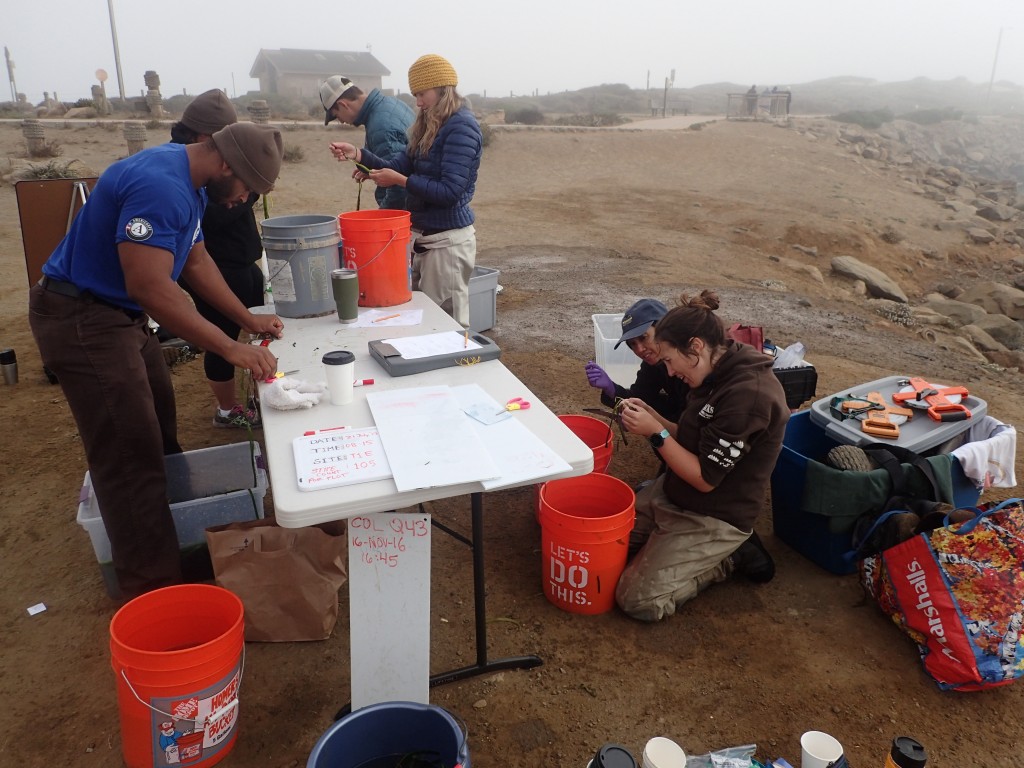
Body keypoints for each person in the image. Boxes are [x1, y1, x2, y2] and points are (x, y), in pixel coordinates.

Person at [29, 121, 285, 599]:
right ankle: (156, 595)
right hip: (84, 319)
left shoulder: (185, 177)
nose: (242, 200)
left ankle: (173, 547)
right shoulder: (161, 187)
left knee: (159, 437)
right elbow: (149, 286)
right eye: (248, 188)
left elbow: (194, 261)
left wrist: (246, 319)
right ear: (227, 163)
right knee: (129, 460)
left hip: (118, 318)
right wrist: (229, 348)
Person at [613, 290, 790, 622]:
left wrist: (656, 431)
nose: (666, 372)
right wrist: (655, 416)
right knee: (606, 542)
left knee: (637, 599)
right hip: (675, 491)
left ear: (694, 347)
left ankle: (728, 558)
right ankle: (670, 545)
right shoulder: (710, 371)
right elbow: (692, 437)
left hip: (713, 513)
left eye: (667, 360)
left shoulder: (749, 396)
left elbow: (706, 479)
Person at [329, 54, 482, 328]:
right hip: (425, 242)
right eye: (415, 95)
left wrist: (401, 181)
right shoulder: (428, 126)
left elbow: (451, 192)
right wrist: (360, 154)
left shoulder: (462, 127)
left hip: (448, 245)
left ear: (442, 88)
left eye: (422, 94)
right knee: (423, 324)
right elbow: (396, 165)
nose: (418, 102)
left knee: (447, 328)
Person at [170, 89, 266, 428]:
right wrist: (246, 194)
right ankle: (228, 410)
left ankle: (263, 394)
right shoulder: (185, 175)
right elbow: (209, 221)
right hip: (215, 268)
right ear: (203, 137)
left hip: (241, 264)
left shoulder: (210, 170)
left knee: (255, 329)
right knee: (221, 338)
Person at [584, 298, 689, 423]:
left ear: (663, 329)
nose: (639, 349)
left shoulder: (691, 361)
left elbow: (692, 427)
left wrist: (657, 429)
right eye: (632, 344)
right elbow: (640, 398)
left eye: (643, 337)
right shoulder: (653, 364)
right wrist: (610, 388)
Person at [320, 75, 415, 210]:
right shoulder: (390, 104)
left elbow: (397, 187)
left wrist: (381, 216)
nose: (340, 121)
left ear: (343, 104)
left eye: (336, 116)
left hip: (410, 213)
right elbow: (405, 163)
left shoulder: (381, 126)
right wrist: (370, 169)